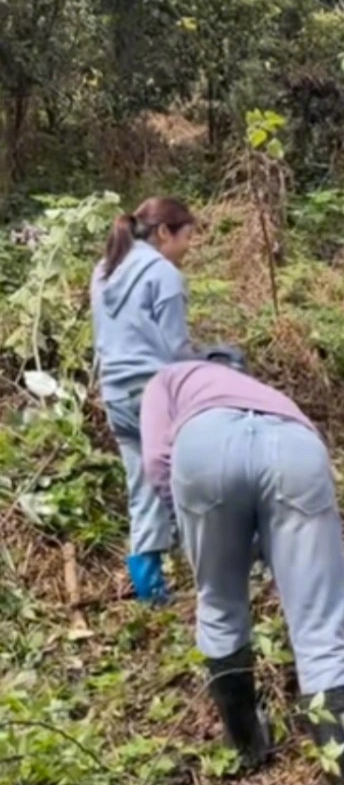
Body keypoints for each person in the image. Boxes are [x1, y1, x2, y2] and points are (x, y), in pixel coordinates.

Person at [139, 353, 344, 785]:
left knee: (220, 604)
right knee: (318, 627)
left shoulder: (167, 380)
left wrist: (192, 523)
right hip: (295, 448)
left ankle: (248, 745)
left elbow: (154, 461)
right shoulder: (266, 394)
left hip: (204, 450)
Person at [91, 196, 199, 603]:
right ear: (163, 233)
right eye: (187, 236)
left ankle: (149, 586)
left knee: (144, 487)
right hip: (154, 395)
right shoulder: (163, 274)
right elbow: (176, 352)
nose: (189, 247)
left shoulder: (105, 269)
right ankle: (226, 564)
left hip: (116, 395)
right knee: (192, 477)